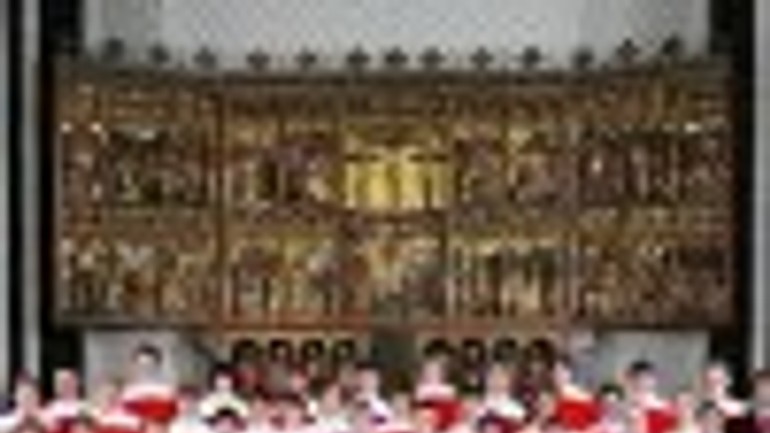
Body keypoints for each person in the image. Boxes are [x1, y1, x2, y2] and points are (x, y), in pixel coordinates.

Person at [120, 344, 178, 426]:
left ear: (158, 365)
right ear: (135, 365)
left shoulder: (167, 389)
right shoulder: (128, 390)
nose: (145, 370)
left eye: (150, 365)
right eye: (141, 365)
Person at [624, 360, 677, 433]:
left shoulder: (667, 410)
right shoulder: (624, 410)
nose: (641, 383)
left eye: (644, 378)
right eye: (636, 379)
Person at [551, 356, 600, 432]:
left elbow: (597, 425)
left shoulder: (584, 398)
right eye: (554, 372)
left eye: (560, 372)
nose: (556, 376)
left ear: (570, 373)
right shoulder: (555, 398)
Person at [474, 363, 526, 433]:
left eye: (501, 377)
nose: (496, 381)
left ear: (508, 381)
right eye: (492, 377)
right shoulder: (477, 406)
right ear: (486, 381)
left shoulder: (516, 409)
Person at [42, 369, 90, 433]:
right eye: (63, 383)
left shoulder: (85, 407)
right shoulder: (51, 408)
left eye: (70, 383)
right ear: (57, 387)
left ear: (76, 384)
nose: (67, 386)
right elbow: (46, 428)